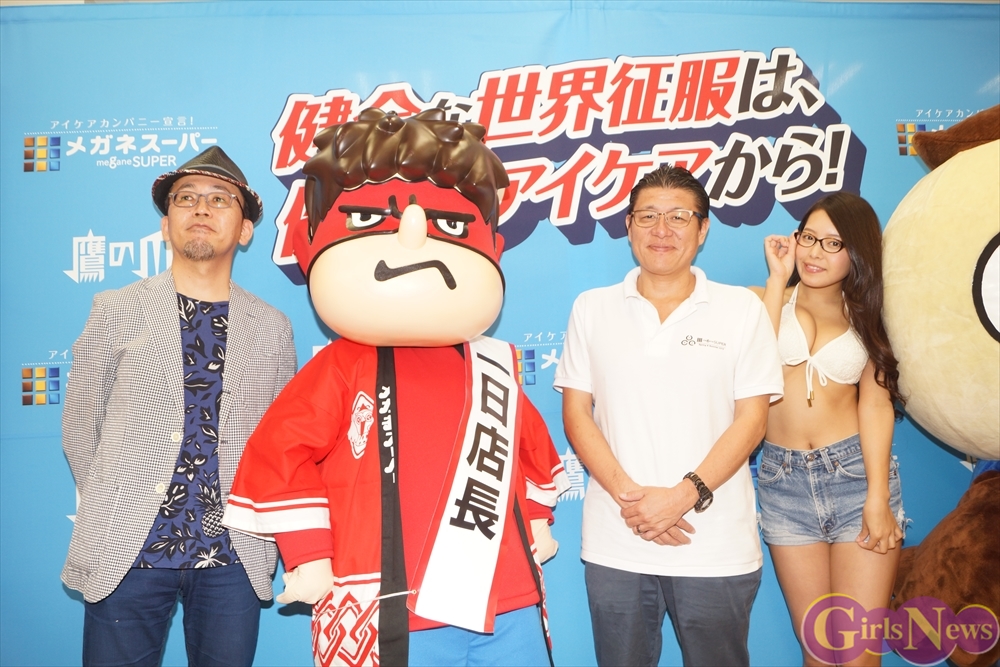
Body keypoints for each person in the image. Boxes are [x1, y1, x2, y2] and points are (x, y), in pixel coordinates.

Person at [222, 108, 569, 667]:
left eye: (447, 225)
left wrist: (534, 518)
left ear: (494, 250)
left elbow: (531, 451)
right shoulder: (341, 366)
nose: (412, 237)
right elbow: (279, 454)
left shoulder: (492, 366)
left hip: (504, 592)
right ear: (311, 249)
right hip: (391, 601)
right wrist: (309, 552)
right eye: (368, 219)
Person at [61, 146, 297, 667]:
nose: (201, 207)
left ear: (245, 230)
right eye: (185, 198)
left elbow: (281, 445)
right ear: (166, 225)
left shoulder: (273, 328)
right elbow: (81, 428)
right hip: (127, 546)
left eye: (220, 199)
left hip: (233, 555)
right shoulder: (116, 310)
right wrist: (117, 496)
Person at [554, 164, 784, 667]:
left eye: (679, 217)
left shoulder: (741, 309)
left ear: (703, 230)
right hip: (618, 541)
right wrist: (636, 503)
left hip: (714, 544)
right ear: (628, 226)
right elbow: (576, 414)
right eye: (648, 216)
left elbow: (752, 422)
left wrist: (683, 496)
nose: (662, 230)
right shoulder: (592, 308)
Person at [751, 192, 905, 667]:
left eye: (833, 243)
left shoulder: (868, 317)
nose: (815, 253)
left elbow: (875, 405)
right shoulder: (763, 299)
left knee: (858, 654)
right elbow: (752, 367)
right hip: (783, 483)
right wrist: (777, 281)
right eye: (809, 238)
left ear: (857, 252)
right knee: (818, 653)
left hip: (855, 476)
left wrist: (877, 497)